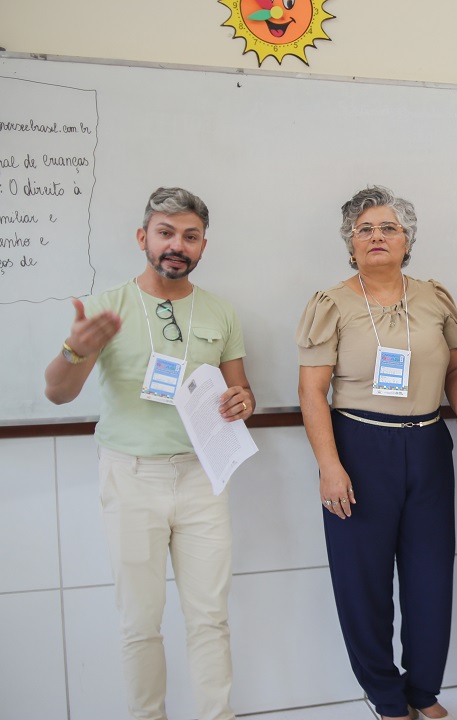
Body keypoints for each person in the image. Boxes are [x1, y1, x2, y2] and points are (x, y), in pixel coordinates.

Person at [44, 187, 255, 720]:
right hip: (130, 477)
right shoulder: (106, 307)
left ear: (203, 245)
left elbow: (241, 391)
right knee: (139, 623)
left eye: (190, 236)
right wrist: (74, 350)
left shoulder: (221, 311)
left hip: (203, 477)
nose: (176, 245)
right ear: (143, 237)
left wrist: (243, 401)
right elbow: (58, 393)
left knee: (210, 618)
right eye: (165, 233)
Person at [296, 185, 457, 720]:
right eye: (365, 229)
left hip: (428, 445)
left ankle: (424, 690)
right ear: (350, 243)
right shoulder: (331, 304)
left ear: (407, 241)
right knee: (363, 583)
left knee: (430, 576)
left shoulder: (435, 298)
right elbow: (311, 392)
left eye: (389, 228)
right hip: (359, 446)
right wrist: (329, 466)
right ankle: (385, 695)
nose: (377, 236)